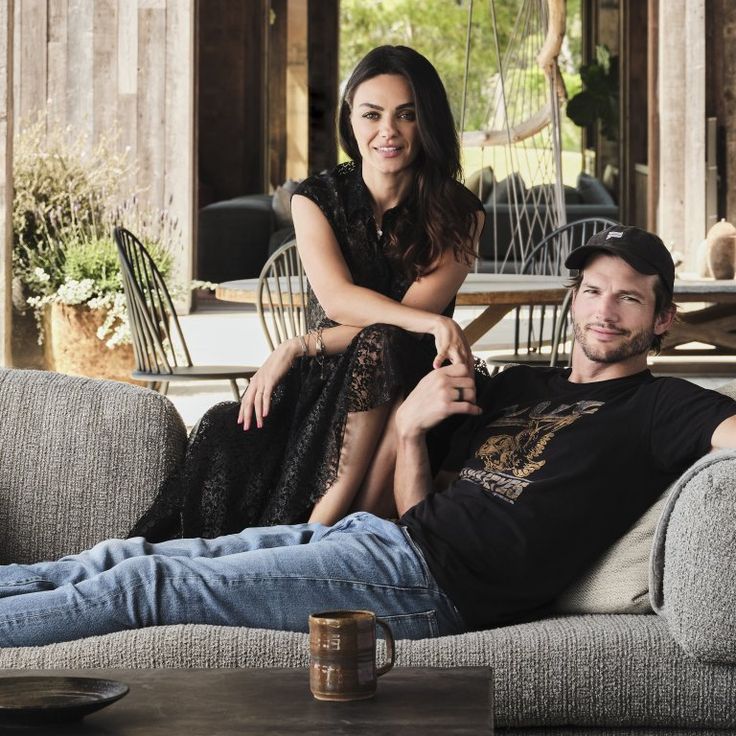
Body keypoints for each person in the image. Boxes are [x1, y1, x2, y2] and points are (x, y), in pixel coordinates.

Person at [1, 225, 736, 648]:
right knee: (125, 556)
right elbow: (421, 506)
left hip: (426, 589)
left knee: (148, 585)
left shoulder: (662, 407)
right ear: (573, 299)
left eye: (631, 298)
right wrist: (412, 433)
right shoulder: (517, 387)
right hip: (378, 542)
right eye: (595, 291)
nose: (606, 311)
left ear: (662, 320)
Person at [129, 45, 484, 541]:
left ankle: (318, 532)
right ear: (350, 119)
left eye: (407, 114)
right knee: (223, 434)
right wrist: (430, 323)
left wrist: (300, 342)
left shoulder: (461, 214)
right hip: (322, 386)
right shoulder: (316, 199)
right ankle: (322, 537)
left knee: (390, 346)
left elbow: (400, 322)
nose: (388, 131)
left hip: (416, 387)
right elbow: (339, 300)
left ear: (428, 121)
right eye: (372, 114)